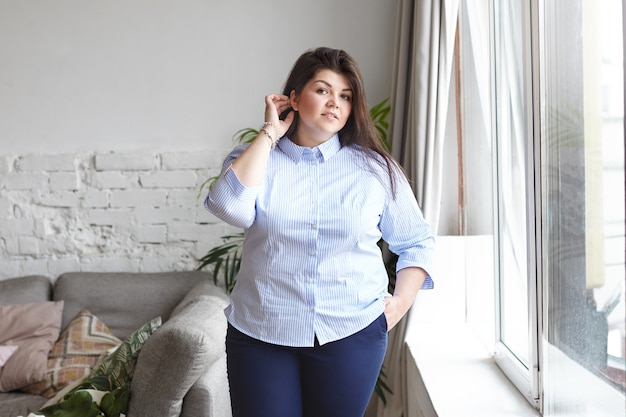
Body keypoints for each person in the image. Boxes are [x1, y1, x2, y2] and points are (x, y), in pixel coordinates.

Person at [205, 46, 435, 417]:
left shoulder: (374, 169)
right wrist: (269, 133)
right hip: (262, 334)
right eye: (323, 90)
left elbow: (417, 242)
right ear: (293, 98)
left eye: (345, 96)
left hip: (351, 333)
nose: (335, 103)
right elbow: (228, 207)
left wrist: (400, 303)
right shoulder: (255, 158)